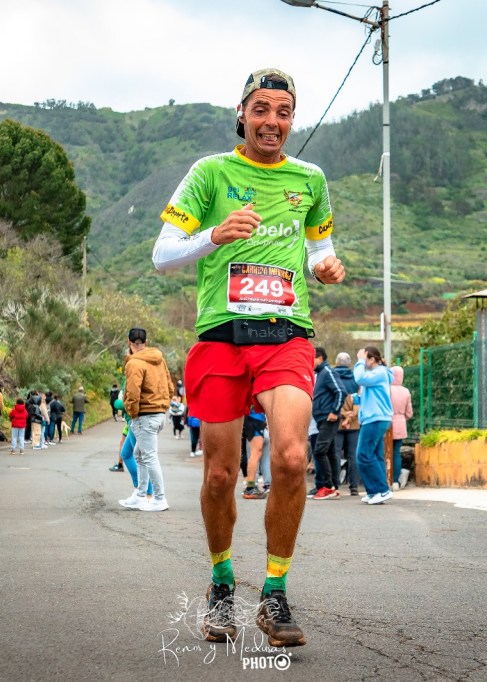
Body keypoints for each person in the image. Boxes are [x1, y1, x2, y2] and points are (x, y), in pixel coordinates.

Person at [153, 67, 344, 647]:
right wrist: (215, 234)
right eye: (262, 109)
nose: (273, 122)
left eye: (284, 112)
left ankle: (275, 592)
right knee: (218, 475)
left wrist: (326, 266)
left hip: (286, 333)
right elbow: (163, 254)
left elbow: (320, 247)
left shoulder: (310, 179)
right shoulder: (211, 172)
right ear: (242, 114)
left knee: (289, 460)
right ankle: (220, 585)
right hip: (220, 336)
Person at [118, 328, 171, 512]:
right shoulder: (159, 359)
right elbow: (169, 385)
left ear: (129, 342)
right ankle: (140, 495)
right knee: (139, 455)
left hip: (144, 416)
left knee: (149, 456)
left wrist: (131, 412)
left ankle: (160, 498)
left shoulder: (134, 363)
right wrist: (164, 404)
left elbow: (132, 393)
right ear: (146, 342)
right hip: (159, 414)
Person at [353, 347, 395, 505]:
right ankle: (374, 492)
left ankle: (383, 490)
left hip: (375, 419)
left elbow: (359, 378)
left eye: (365, 358)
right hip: (375, 418)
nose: (363, 362)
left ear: (371, 359)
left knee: (363, 455)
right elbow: (365, 394)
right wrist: (356, 398)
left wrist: (359, 362)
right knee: (375, 457)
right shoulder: (375, 375)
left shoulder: (380, 372)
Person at [308, 347, 345, 500]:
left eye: (312, 359)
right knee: (328, 452)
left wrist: (335, 412)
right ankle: (332, 485)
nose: (310, 363)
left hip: (328, 419)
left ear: (320, 358)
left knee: (319, 451)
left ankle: (327, 486)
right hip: (321, 419)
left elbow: (341, 391)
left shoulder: (328, 372)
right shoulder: (320, 374)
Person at [333, 351, 362, 496]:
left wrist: (343, 416)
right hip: (354, 423)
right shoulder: (356, 378)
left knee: (336, 454)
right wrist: (350, 417)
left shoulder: (332, 376)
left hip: (336, 422)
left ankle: (336, 485)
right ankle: (354, 487)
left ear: (337, 362)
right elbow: (358, 401)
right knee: (353, 455)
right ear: (349, 363)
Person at [390, 365, 414, 491]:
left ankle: (385, 479)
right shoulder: (405, 391)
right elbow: (409, 413)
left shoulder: (386, 389)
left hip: (386, 423)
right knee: (396, 453)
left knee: (384, 452)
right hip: (400, 424)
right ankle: (395, 481)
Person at [241, 408, 268, 499]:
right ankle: (250, 488)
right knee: (255, 452)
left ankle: (250, 487)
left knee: (256, 452)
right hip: (254, 419)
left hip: (255, 419)